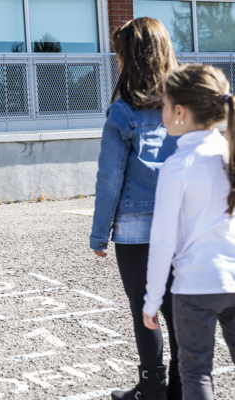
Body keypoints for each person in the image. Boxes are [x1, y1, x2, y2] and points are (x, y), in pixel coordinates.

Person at [90, 18, 181, 400]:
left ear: (132, 59)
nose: (116, 62)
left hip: (135, 229)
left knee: (147, 310)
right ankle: (181, 386)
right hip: (181, 226)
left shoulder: (122, 113)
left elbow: (109, 179)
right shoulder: (184, 109)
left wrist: (99, 234)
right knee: (179, 312)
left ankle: (151, 386)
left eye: (119, 56)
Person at [143, 64, 235, 400]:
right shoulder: (230, 155)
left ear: (180, 112)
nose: (161, 112)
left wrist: (152, 301)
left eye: (164, 105)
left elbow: (163, 241)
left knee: (196, 373)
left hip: (194, 287)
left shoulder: (177, 167)